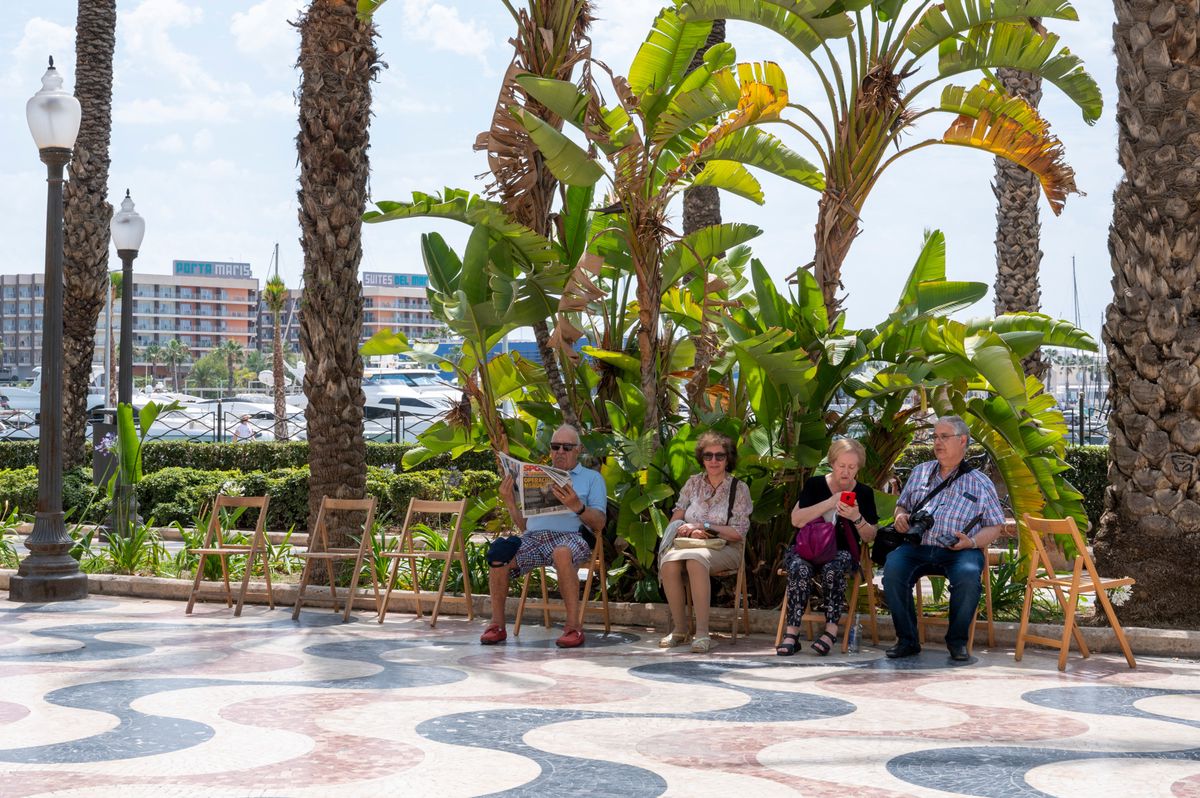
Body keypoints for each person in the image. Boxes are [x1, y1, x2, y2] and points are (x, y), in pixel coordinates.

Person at [882, 415, 1006, 662]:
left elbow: (995, 526)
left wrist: (970, 542)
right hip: (917, 546)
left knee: (969, 576)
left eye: (944, 437)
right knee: (892, 569)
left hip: (960, 549)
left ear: (962, 441)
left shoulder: (980, 483)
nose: (937, 442)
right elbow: (902, 507)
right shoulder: (920, 472)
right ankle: (907, 640)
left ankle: (957, 641)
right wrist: (900, 517)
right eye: (935, 437)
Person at [481, 423, 606, 648]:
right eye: (555, 446)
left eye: (566, 448)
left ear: (578, 450)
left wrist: (577, 506)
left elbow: (600, 523)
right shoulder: (536, 476)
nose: (559, 452)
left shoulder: (591, 478)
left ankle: (573, 627)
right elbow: (525, 526)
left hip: (572, 536)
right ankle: (497, 625)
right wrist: (510, 501)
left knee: (561, 553)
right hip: (535, 537)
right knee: (499, 552)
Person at [777, 438, 878, 656]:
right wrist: (831, 502)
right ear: (832, 463)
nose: (846, 472)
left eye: (852, 467)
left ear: (858, 468)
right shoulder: (815, 485)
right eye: (842, 466)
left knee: (833, 570)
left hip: (839, 552)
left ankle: (831, 630)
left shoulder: (865, 493)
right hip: (806, 548)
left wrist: (856, 517)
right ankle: (791, 634)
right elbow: (797, 520)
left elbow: (870, 536)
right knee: (798, 569)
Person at [658, 431, 753, 654]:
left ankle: (702, 633)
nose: (713, 461)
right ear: (702, 458)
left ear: (728, 459)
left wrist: (705, 527)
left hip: (727, 546)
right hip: (691, 544)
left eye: (719, 456)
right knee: (669, 561)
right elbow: (677, 518)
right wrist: (689, 533)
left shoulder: (738, 489)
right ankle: (680, 630)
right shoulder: (693, 484)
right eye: (708, 456)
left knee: (695, 561)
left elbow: (738, 533)